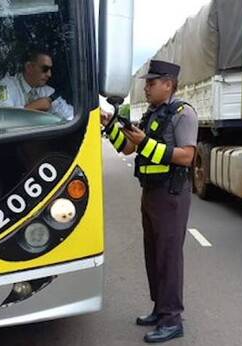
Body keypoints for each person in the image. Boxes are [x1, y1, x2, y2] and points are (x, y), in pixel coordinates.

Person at [101, 60, 198, 343]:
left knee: (168, 257)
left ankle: (172, 319)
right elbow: (129, 148)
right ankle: (160, 308)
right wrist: (111, 127)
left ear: (168, 84)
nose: (146, 87)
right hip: (152, 193)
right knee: (153, 254)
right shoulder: (153, 114)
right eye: (146, 83)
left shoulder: (183, 113)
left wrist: (145, 143)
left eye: (151, 83)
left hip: (172, 194)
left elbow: (186, 156)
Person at [0, 49, 74, 121]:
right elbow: (1, 117)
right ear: (29, 67)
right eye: (45, 69)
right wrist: (33, 107)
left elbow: (71, 116)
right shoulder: (4, 86)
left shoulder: (47, 92)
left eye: (50, 70)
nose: (49, 74)